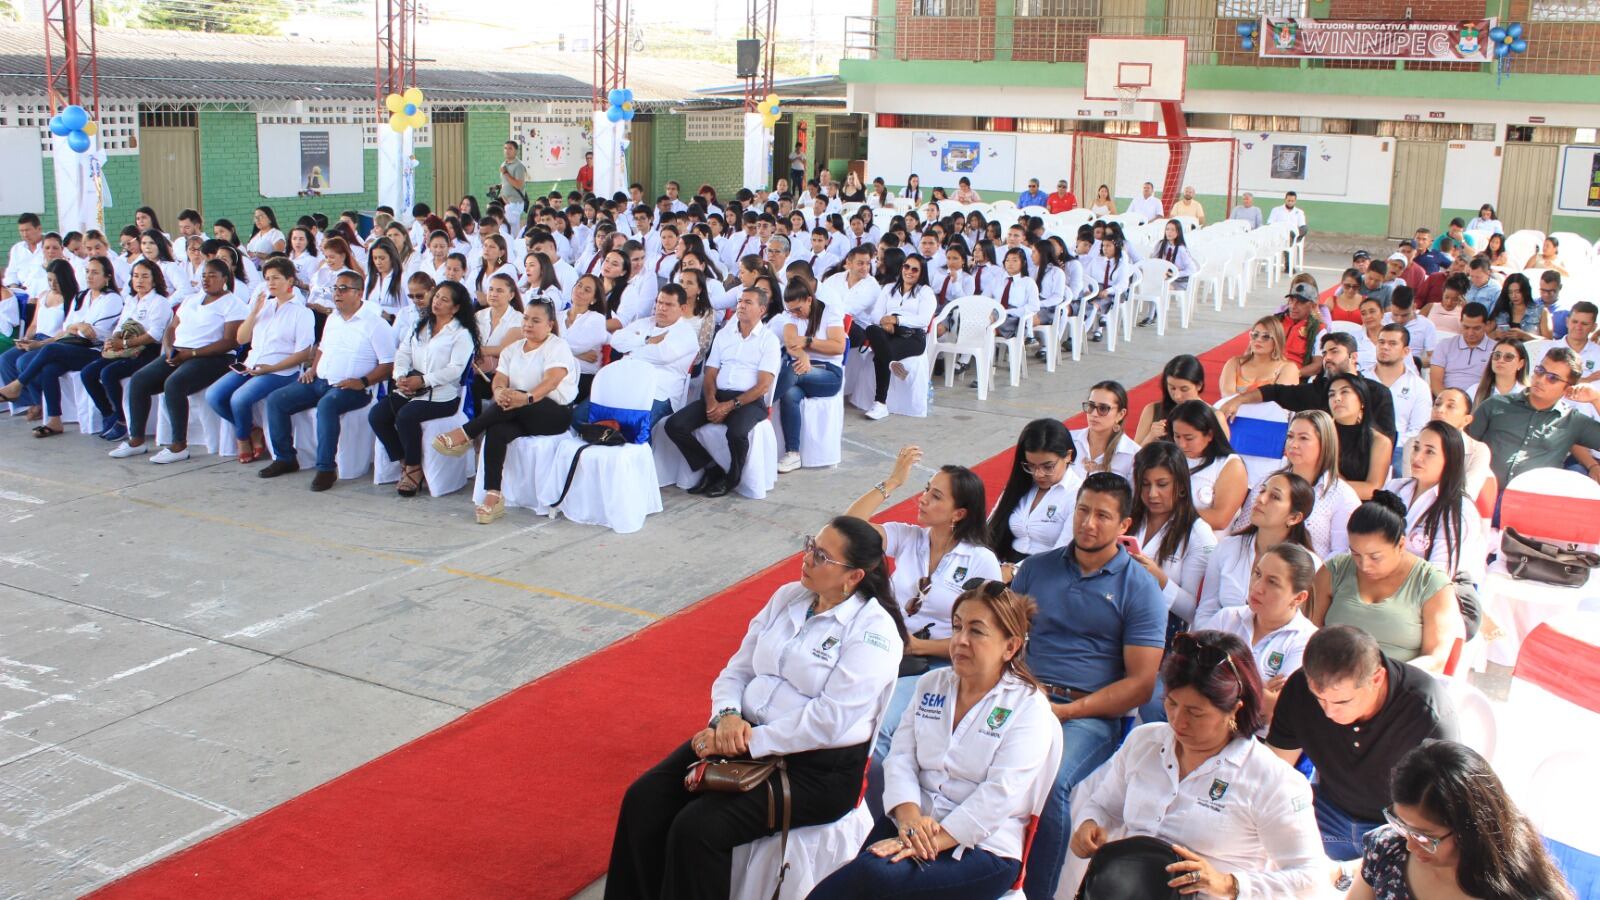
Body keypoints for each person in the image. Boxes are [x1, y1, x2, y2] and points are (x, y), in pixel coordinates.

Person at [606, 517, 905, 900]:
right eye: (811, 544)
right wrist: (727, 715)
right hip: (739, 735)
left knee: (699, 829)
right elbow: (738, 669)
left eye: (822, 556)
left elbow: (829, 721)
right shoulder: (787, 597)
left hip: (815, 770)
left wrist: (746, 742)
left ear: (853, 576)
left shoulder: (874, 632)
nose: (807, 558)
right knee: (644, 799)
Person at [810, 581, 1062, 899]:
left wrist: (926, 839)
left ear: (1010, 647)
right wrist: (909, 819)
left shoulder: (1028, 707)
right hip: (914, 822)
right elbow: (901, 758)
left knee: (872, 875)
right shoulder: (932, 684)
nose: (960, 641)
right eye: (957, 628)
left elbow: (1000, 795)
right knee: (859, 880)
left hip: (982, 847)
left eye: (976, 631)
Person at [1070, 631, 1325, 898]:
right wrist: (1090, 824)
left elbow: (1310, 878)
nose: (1178, 721)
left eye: (1195, 712)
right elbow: (1104, 805)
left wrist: (1228, 884)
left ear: (1235, 709)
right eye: (1171, 703)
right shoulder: (1145, 742)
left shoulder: (1272, 781)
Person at [1011, 472, 1167, 899]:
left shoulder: (1140, 588)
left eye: (1102, 515)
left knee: (1054, 782)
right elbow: (1006, 640)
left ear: (1124, 526)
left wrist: (1065, 712)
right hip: (1026, 695)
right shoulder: (1036, 569)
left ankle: (1038, 894)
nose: (1088, 523)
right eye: (1082, 511)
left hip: (1090, 716)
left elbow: (1140, 686)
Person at [845, 445, 999, 758]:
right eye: (927, 489)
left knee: (880, 726)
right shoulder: (908, 537)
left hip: (942, 662)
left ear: (959, 514)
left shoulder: (981, 560)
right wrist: (893, 482)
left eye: (937, 496)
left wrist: (918, 646)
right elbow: (847, 529)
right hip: (888, 649)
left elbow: (990, 640)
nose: (924, 498)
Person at [1267, 625, 1459, 862]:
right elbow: (1274, 769)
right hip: (1325, 816)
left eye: (1342, 701)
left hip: (1398, 831)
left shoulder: (1426, 711)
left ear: (1377, 678)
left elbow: (1443, 813)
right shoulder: (1300, 689)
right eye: (1319, 699)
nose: (1328, 712)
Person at [1352, 740, 1576, 900]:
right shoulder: (1389, 849)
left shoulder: (1518, 892)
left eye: (1424, 836)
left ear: (1469, 831)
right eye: (1401, 824)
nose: (1410, 844)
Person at [433, 298, 574, 522]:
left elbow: (552, 381)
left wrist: (525, 397)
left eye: (535, 320)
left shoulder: (557, 346)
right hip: (517, 410)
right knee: (497, 430)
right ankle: (493, 495)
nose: (528, 324)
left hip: (554, 413)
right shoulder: (513, 349)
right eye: (526, 318)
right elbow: (500, 378)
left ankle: (467, 433)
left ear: (549, 325)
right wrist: (499, 391)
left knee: (515, 397)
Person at [259, 269, 396, 491]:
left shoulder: (376, 325)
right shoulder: (333, 318)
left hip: (353, 388)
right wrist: (313, 369)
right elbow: (322, 348)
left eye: (344, 288)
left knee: (327, 406)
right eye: (335, 288)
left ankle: (325, 469)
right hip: (320, 381)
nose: (337, 293)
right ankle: (285, 458)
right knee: (276, 400)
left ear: (359, 293)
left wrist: (362, 381)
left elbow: (389, 365)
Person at [107, 259, 243, 463]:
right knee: (139, 380)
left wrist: (193, 354)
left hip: (213, 357)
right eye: (204, 275)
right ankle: (136, 440)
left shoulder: (233, 304)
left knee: (174, 384)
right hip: (180, 352)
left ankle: (178, 445)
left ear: (225, 278)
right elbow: (171, 328)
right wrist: (170, 350)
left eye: (213, 275)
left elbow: (229, 341)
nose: (206, 280)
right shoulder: (192, 300)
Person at [1311, 492, 1463, 671]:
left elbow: (1436, 658)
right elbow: (1309, 632)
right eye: (1356, 554)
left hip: (1399, 684)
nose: (1364, 565)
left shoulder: (1432, 583)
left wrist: (1386, 678)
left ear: (1400, 545)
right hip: (1330, 676)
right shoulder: (1335, 569)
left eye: (1375, 557)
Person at [663, 286, 780, 498]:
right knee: (674, 425)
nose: (741, 306)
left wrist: (730, 406)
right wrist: (711, 401)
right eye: (740, 301)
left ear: (762, 310)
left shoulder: (768, 340)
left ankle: (732, 477)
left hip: (749, 401)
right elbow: (710, 374)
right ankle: (711, 468)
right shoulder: (725, 334)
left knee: (736, 432)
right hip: (718, 396)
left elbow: (763, 385)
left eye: (748, 302)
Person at [370, 279, 480, 497]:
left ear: (455, 307)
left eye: (444, 299)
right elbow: (403, 353)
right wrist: (400, 376)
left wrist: (424, 381)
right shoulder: (420, 325)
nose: (437, 301)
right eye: (437, 296)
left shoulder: (461, 334)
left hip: (442, 396)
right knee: (378, 415)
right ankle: (405, 460)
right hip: (412, 387)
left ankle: (413, 470)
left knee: (406, 416)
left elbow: (455, 370)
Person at [204, 258, 314, 464]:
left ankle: (242, 439)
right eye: (267, 279)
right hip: (251, 364)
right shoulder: (265, 306)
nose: (270, 283)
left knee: (239, 398)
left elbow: (303, 354)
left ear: (290, 280)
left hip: (280, 370)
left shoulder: (302, 313)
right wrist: (254, 312)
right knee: (214, 395)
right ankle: (252, 431)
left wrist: (270, 368)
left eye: (276, 278)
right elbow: (241, 339)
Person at [0, 256, 122, 438]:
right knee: (49, 369)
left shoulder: (111, 299)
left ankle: (17, 385)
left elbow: (95, 334)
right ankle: (54, 420)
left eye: (95, 272)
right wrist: (79, 326)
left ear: (107, 277)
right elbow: (68, 327)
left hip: (96, 350)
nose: (89, 276)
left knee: (50, 350)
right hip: (74, 345)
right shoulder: (82, 296)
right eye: (88, 271)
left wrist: (79, 327)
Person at [1220, 331, 1398, 450]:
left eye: (1334, 352)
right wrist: (1238, 400)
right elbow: (1273, 391)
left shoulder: (1378, 393)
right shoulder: (1316, 391)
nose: (1327, 358)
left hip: (1360, 468)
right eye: (1325, 353)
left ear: (1353, 357)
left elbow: (1387, 439)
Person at [1207, 543, 1318, 724]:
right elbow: (1193, 678)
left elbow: (1276, 710)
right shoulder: (1226, 618)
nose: (1257, 587)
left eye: (1272, 582)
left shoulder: (1308, 641)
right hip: (1208, 728)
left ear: (1298, 598)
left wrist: (1221, 679)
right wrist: (1258, 688)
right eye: (1257, 574)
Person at [1468, 345, 1600, 492]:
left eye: (1552, 378)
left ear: (1568, 388)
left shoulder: (1572, 421)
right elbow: (1465, 447)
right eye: (1540, 371)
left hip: (1532, 503)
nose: (1541, 379)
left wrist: (1596, 400)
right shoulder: (1496, 404)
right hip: (1482, 493)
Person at [1195, 471, 1317, 629]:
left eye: (1275, 497)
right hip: (1217, 644)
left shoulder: (1310, 564)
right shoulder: (1228, 547)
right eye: (1262, 491)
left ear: (1294, 518)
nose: (1260, 499)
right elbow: (1206, 610)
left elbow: (1302, 625)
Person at [1127, 441, 1217, 633]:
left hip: (1161, 633)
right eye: (1145, 484)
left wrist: (1160, 580)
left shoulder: (1199, 535)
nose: (1152, 494)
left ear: (1182, 486)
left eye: (1162, 484)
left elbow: (1194, 612)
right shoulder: (1127, 519)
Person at [82, 259, 171, 443]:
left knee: (109, 373)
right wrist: (111, 341)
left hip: (148, 351)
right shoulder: (131, 300)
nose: (140, 280)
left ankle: (123, 420)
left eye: (145, 276)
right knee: (88, 373)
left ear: (154, 280)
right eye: (136, 276)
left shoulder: (159, 302)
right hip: (126, 347)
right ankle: (110, 414)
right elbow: (120, 326)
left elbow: (154, 336)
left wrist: (123, 344)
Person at [584, 284, 698, 428]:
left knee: (632, 430)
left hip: (658, 392)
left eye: (669, 305)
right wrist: (645, 340)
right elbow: (616, 341)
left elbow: (661, 356)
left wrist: (631, 350)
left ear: (683, 309)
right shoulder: (644, 322)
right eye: (660, 302)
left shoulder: (686, 333)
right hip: (624, 382)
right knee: (580, 417)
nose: (662, 308)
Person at [986, 418, 1082, 579]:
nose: (1038, 474)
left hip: (1046, 575)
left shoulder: (1078, 495)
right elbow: (991, 526)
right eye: (1031, 466)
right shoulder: (1021, 485)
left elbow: (1063, 552)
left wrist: (1015, 571)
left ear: (1068, 456)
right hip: (1004, 568)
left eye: (1048, 467)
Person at [771, 280, 846, 474]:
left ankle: (763, 405)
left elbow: (838, 347)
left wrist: (808, 342)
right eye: (791, 310)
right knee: (789, 395)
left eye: (798, 309)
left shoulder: (830, 312)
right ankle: (793, 453)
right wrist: (802, 354)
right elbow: (789, 342)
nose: (795, 313)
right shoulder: (791, 316)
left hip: (829, 374)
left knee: (793, 371)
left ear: (809, 300)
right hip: (803, 369)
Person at [860, 251, 935, 421]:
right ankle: (891, 360)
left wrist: (896, 320)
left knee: (880, 357)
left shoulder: (925, 292)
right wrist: (886, 324)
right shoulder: (888, 288)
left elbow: (923, 320)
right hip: (888, 333)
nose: (909, 271)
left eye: (914, 269)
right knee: (871, 329)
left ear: (921, 273)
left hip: (912, 337)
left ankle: (880, 403)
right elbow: (875, 315)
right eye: (906, 266)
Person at [1370, 324, 1431, 474]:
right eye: (1381, 342)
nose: (1384, 347)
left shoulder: (1419, 386)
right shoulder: (1361, 378)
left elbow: (1418, 429)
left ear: (1406, 351)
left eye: (1392, 344)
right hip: (1362, 444)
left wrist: (1386, 444)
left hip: (1398, 448)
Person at [1327, 373, 1395, 500]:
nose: (1337, 398)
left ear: (1362, 400)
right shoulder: (1321, 434)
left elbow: (1372, 489)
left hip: (1359, 507)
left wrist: (1329, 488)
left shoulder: (1379, 441)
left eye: (1344, 392)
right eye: (1331, 394)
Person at [1072, 380, 1138, 480]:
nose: (1094, 414)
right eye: (1091, 406)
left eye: (1103, 408)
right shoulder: (1070, 440)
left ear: (1121, 414)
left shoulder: (1132, 454)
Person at [1220, 317, 1299, 397]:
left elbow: (1279, 402)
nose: (1258, 340)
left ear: (1277, 341)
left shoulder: (1288, 368)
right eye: (1255, 335)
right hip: (1234, 409)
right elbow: (1227, 397)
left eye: (1265, 337)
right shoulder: (1234, 363)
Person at [1429, 301, 1492, 395]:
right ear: (1460, 322)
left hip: (1480, 402)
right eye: (1466, 327)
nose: (1470, 333)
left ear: (1487, 325)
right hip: (1447, 400)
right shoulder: (1445, 345)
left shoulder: (1496, 349)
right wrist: (1449, 402)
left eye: (1476, 328)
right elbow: (1436, 382)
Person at [1474, 337, 1528, 406]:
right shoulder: (1475, 390)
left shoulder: (1527, 394)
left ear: (1521, 364)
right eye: (1497, 355)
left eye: (1508, 357)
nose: (1500, 360)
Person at [498, 140, 528, 232]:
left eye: (510, 148)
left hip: (515, 203)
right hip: (506, 202)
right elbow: (506, 182)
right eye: (505, 148)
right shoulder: (504, 164)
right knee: (505, 228)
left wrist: (506, 173)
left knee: (512, 230)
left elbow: (519, 185)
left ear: (516, 151)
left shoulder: (518, 166)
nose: (507, 151)